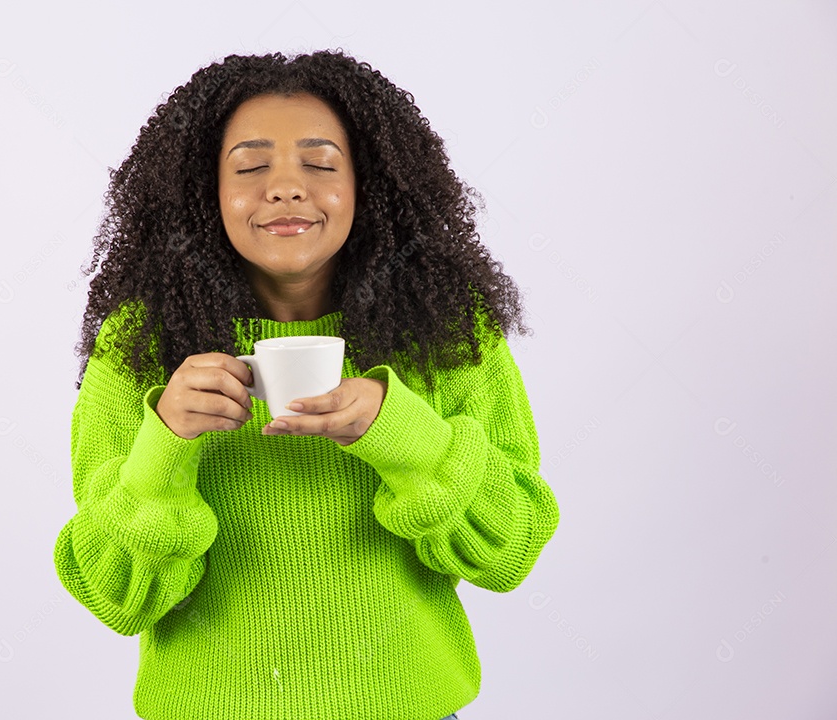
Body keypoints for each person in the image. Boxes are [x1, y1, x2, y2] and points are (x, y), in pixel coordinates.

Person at [53, 49, 560, 720]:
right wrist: (166, 441)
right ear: (204, 191)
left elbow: (512, 549)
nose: (286, 187)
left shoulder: (444, 330)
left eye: (320, 165)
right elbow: (115, 597)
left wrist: (400, 430)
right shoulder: (141, 344)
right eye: (251, 166)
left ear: (369, 186)